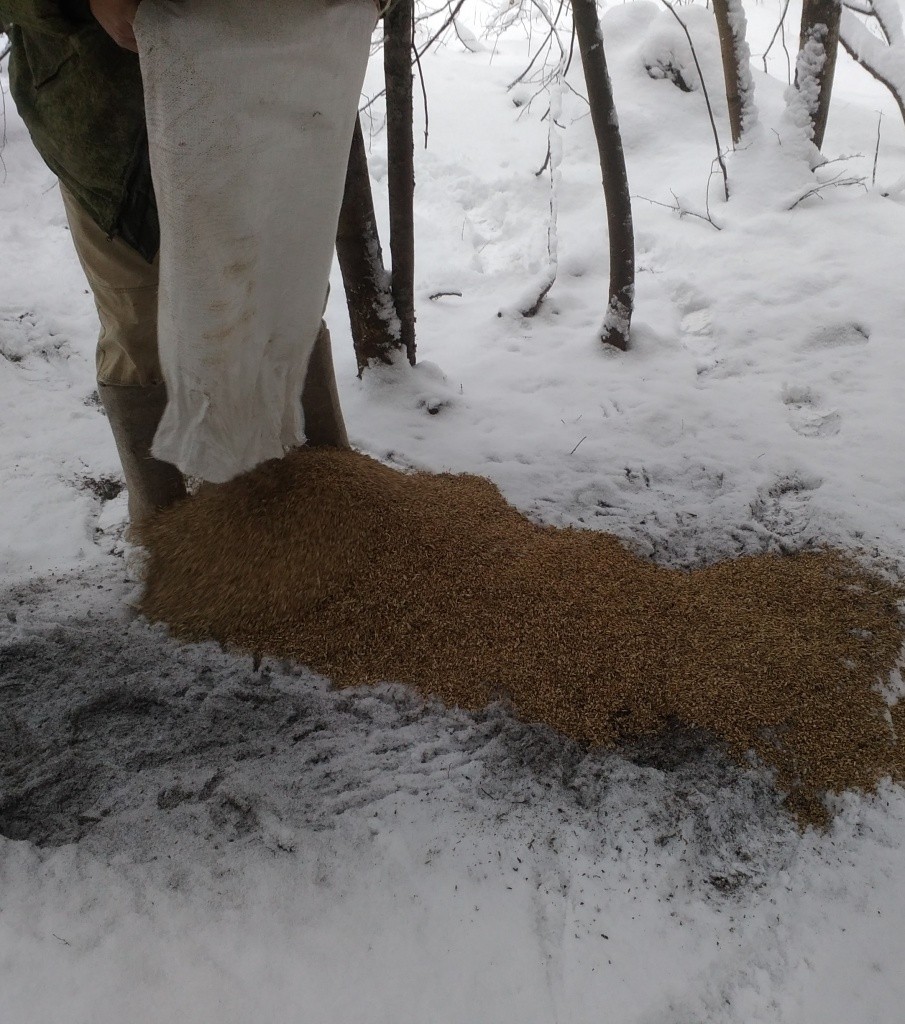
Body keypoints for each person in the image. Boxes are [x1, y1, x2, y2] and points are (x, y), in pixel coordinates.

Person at [1, 0, 356, 527]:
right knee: (140, 326)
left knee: (280, 296)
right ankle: (167, 528)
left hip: (263, 107)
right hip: (107, 126)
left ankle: (330, 494)